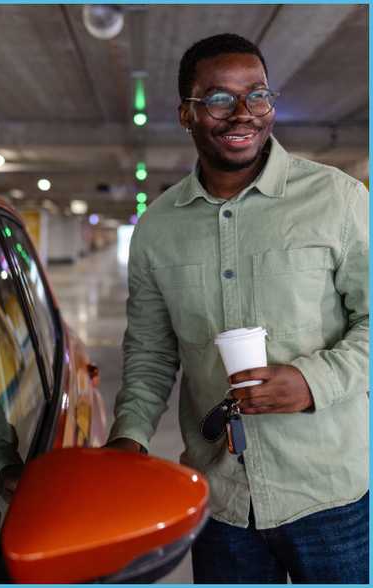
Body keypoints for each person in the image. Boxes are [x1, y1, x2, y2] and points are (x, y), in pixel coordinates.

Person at [105, 33, 368, 583]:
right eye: (220, 98)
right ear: (187, 112)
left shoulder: (338, 200)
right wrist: (128, 438)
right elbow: (151, 351)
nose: (243, 113)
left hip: (330, 496)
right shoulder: (158, 228)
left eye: (258, 94)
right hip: (222, 499)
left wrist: (311, 380)